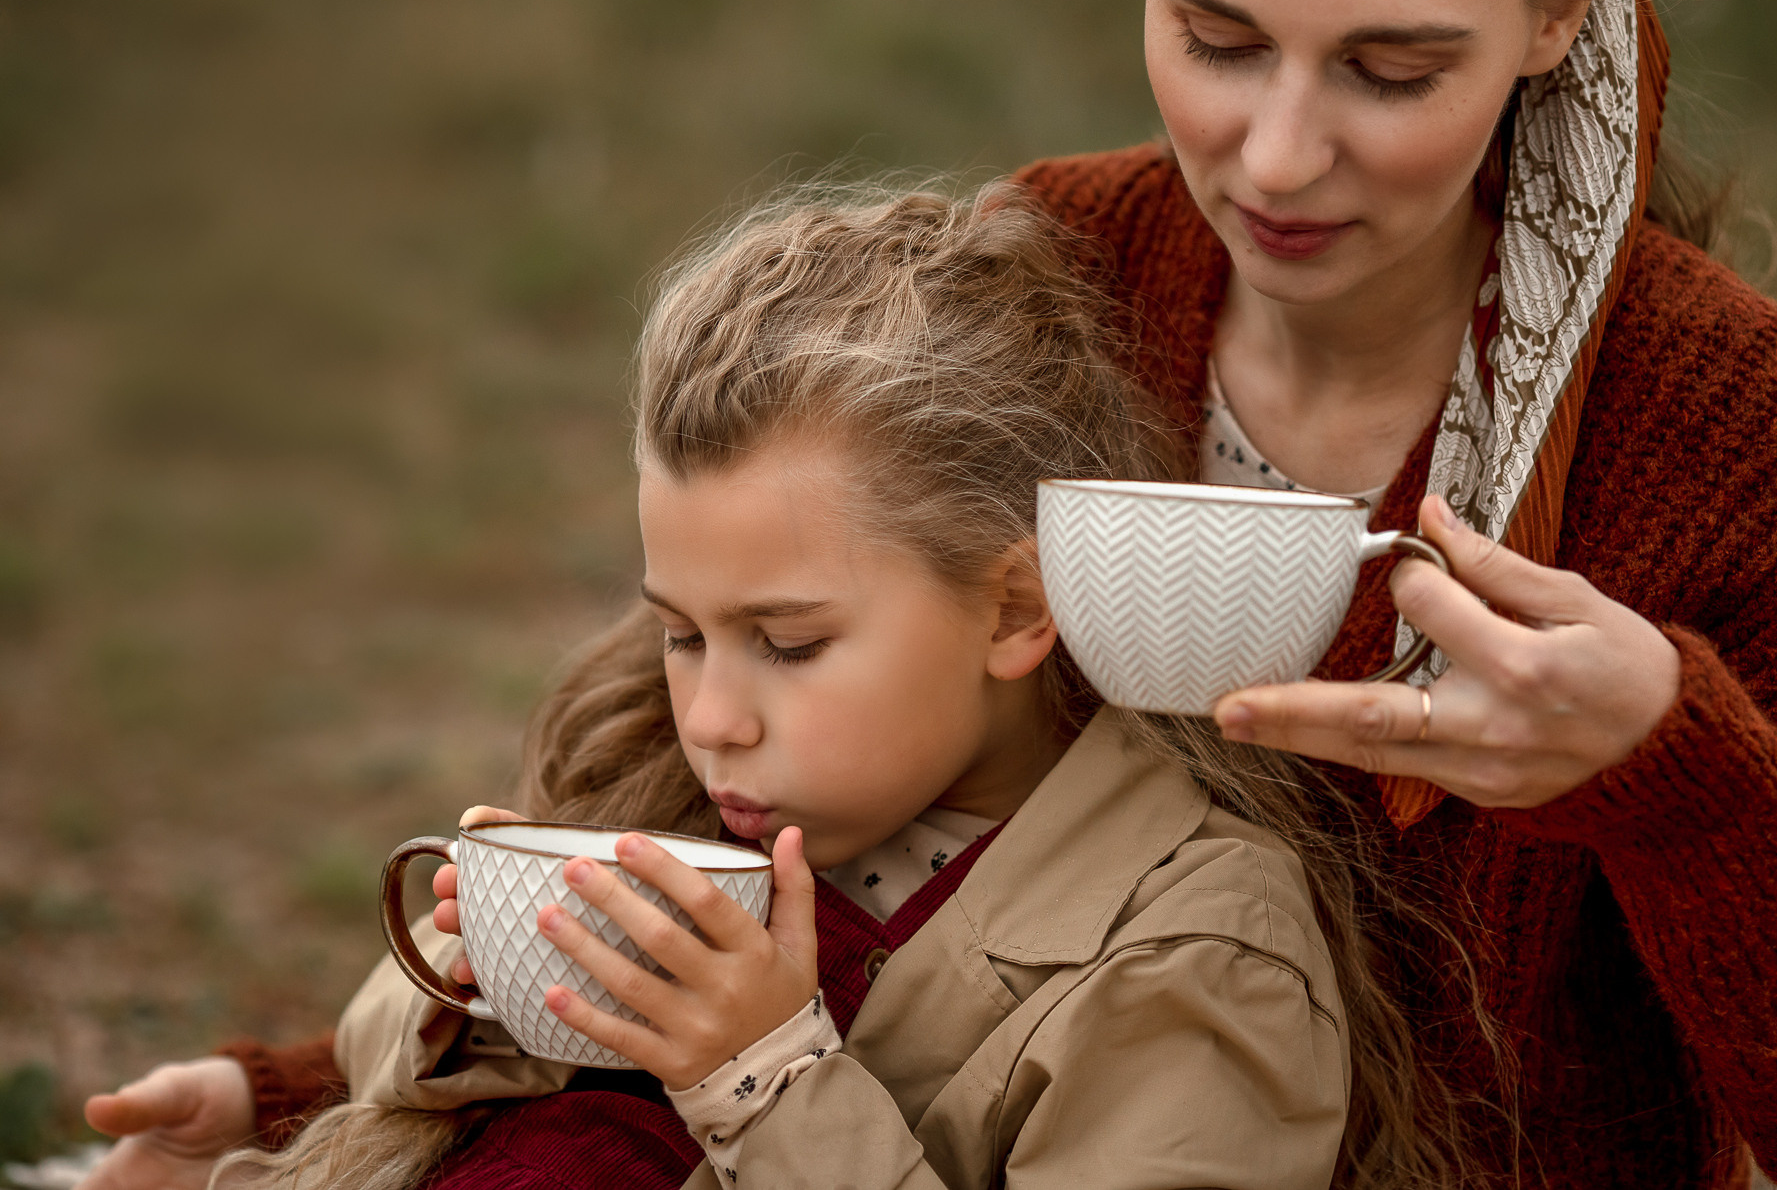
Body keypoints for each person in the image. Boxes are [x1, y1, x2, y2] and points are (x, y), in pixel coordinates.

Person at [83, 0, 1777, 1186]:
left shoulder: (1727, 432)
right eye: (1215, 36)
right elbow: (765, 795)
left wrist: (1678, 781)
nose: (1278, 153)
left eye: (1392, 69)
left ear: (1556, 8)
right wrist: (324, 1086)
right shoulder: (1065, 266)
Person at [85, 182, 1462, 1190]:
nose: (711, 715)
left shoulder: (1188, 957)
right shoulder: (687, 787)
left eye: (788, 643)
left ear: (1015, 606)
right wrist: (475, 993)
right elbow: (450, 1089)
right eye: (681, 632)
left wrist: (765, 1076)